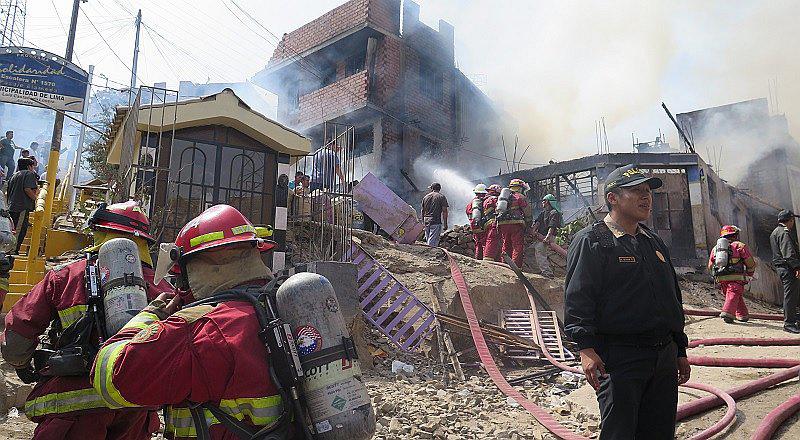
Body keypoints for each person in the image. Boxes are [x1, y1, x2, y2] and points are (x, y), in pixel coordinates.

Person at [90, 204, 287, 439]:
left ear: (192, 268)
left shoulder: (198, 328)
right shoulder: (285, 309)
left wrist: (150, 315)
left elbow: (110, 380)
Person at [0, 201, 174, 439]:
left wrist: (22, 364)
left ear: (99, 232)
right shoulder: (163, 289)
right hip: (133, 405)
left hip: (70, 406)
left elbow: (19, 333)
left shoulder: (65, 276)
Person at [564, 164, 690, 439]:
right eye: (636, 191)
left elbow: (671, 298)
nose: (646, 197)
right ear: (613, 198)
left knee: (659, 432)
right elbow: (578, 298)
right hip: (620, 360)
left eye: (648, 191)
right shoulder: (592, 241)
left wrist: (679, 349)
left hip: (663, 358)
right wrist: (585, 348)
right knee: (620, 433)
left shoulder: (653, 242)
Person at [708, 225, 756, 323]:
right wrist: (749, 274)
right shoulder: (739, 246)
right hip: (736, 278)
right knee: (733, 294)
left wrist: (716, 276)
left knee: (735, 295)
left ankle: (743, 315)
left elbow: (710, 266)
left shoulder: (715, 249)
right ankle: (728, 314)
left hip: (721, 279)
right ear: (735, 235)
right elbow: (750, 263)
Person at [769, 210, 800, 333]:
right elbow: (788, 252)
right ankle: (789, 324)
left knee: (794, 295)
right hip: (788, 268)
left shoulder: (775, 232)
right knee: (791, 296)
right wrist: (796, 267)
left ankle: (795, 320)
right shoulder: (784, 232)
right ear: (791, 220)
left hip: (783, 268)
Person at [7, 157, 39, 254]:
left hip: (12, 206)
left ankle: (10, 249)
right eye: (33, 166)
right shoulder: (29, 174)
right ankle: (13, 250)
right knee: (19, 230)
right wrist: (36, 198)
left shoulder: (14, 175)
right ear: (29, 166)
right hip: (21, 207)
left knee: (12, 228)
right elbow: (27, 189)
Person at [498, 178, 531, 267]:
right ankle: (516, 267)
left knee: (506, 244)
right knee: (517, 245)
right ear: (520, 188)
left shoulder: (502, 198)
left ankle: (505, 265)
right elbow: (527, 213)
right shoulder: (520, 197)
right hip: (516, 223)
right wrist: (529, 224)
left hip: (503, 224)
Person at [531, 194, 562, 277]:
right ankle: (539, 270)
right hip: (542, 236)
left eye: (544, 201)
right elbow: (538, 222)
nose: (542, 202)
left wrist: (547, 237)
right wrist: (534, 230)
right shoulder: (543, 213)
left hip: (549, 237)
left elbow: (552, 226)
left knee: (539, 249)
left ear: (547, 202)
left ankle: (547, 272)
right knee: (532, 250)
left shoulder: (554, 213)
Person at [421, 182, 449, 247]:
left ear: (432, 188)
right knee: (433, 241)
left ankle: (427, 253)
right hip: (435, 221)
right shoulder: (441, 197)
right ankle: (430, 254)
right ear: (439, 189)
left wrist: (423, 222)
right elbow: (444, 211)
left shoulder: (425, 197)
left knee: (429, 239)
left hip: (426, 220)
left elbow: (422, 210)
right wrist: (445, 224)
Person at [466, 184, 489, 259]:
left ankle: (478, 259)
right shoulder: (484, 202)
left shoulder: (471, 203)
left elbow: (468, 212)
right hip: (482, 225)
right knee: (485, 243)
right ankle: (486, 259)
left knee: (478, 243)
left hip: (474, 225)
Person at [481, 184, 503, 261]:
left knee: (493, 240)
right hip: (494, 222)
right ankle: (488, 258)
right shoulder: (495, 199)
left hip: (487, 222)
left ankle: (496, 258)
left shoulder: (486, 199)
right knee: (492, 239)